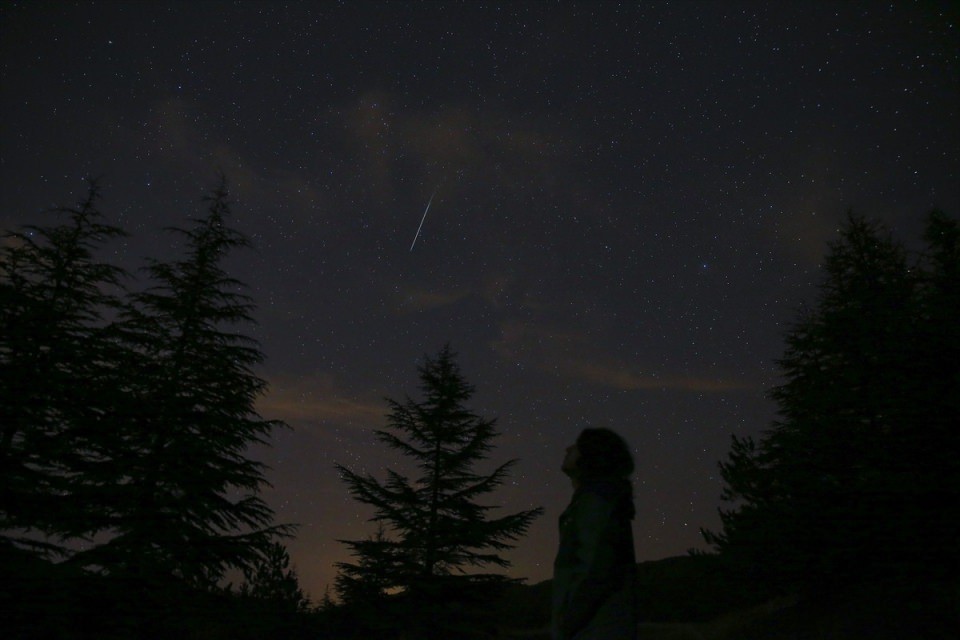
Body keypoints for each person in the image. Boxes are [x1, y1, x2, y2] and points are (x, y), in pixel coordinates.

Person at [552, 427, 637, 640]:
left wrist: (567, 625)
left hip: (594, 629)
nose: (568, 448)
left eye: (577, 445)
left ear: (590, 455)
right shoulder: (597, 500)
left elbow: (595, 570)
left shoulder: (594, 502)